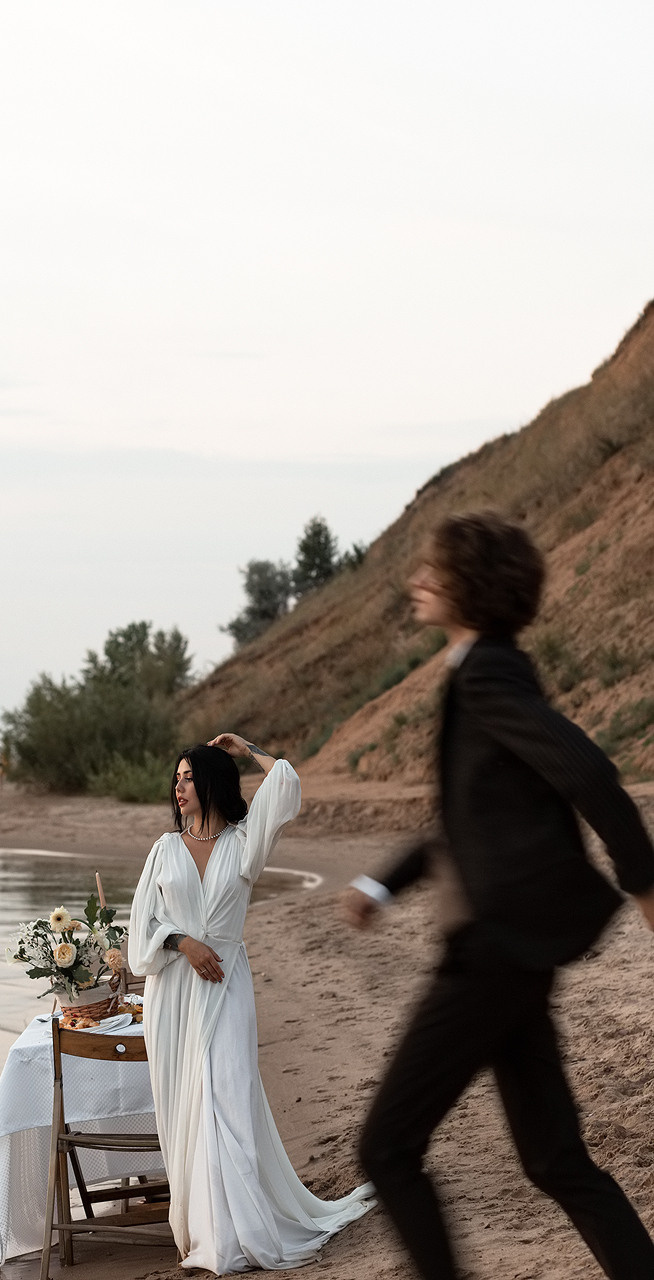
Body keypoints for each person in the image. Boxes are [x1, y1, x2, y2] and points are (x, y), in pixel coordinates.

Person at [341, 511, 654, 1280]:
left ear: (469, 587)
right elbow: (470, 820)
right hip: (512, 949)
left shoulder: (487, 673)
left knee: (386, 1148)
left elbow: (584, 769)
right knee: (553, 1158)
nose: (417, 581)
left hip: (493, 952)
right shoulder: (478, 670)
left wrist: (644, 878)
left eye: (433, 570)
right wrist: (383, 882)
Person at [129, 733, 374, 1275]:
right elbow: (139, 929)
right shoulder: (163, 850)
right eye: (177, 777)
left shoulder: (245, 843)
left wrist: (247, 749)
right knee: (187, 1107)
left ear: (214, 782)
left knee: (227, 1099)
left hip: (224, 987)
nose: (180, 786)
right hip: (172, 994)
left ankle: (233, 1235)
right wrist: (182, 943)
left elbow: (285, 783)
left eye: (190, 776)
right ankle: (204, 1231)